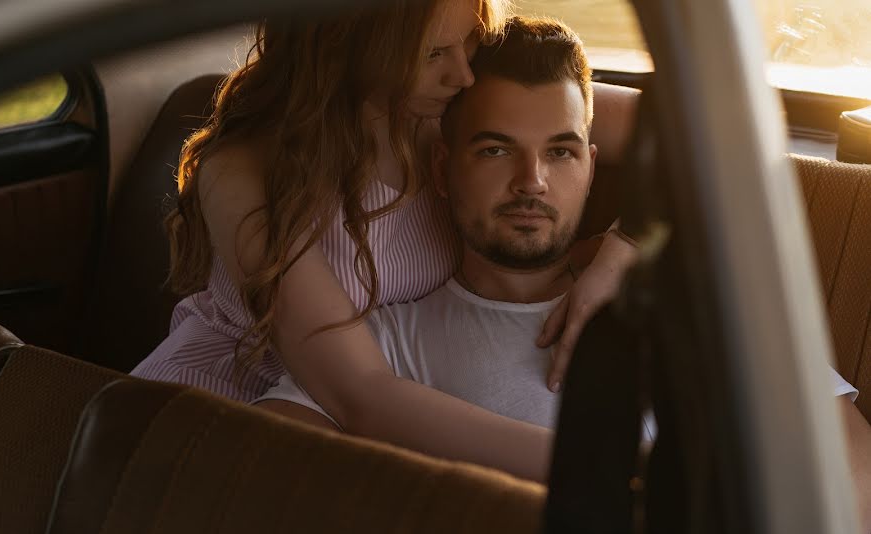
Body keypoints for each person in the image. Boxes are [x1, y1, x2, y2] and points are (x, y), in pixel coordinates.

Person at [254, 17, 871, 534]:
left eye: (560, 152)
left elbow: (851, 455)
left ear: (592, 165)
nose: (532, 182)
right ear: (442, 170)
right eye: (496, 150)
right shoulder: (385, 341)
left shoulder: (692, 304)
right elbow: (269, 468)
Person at [131, 1, 640, 482]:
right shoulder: (244, 172)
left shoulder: (446, 106)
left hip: (341, 423)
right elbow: (359, 394)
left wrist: (621, 251)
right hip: (212, 424)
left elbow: (691, 132)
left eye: (470, 39)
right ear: (355, 44)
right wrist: (602, 466)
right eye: (435, 53)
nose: (464, 73)